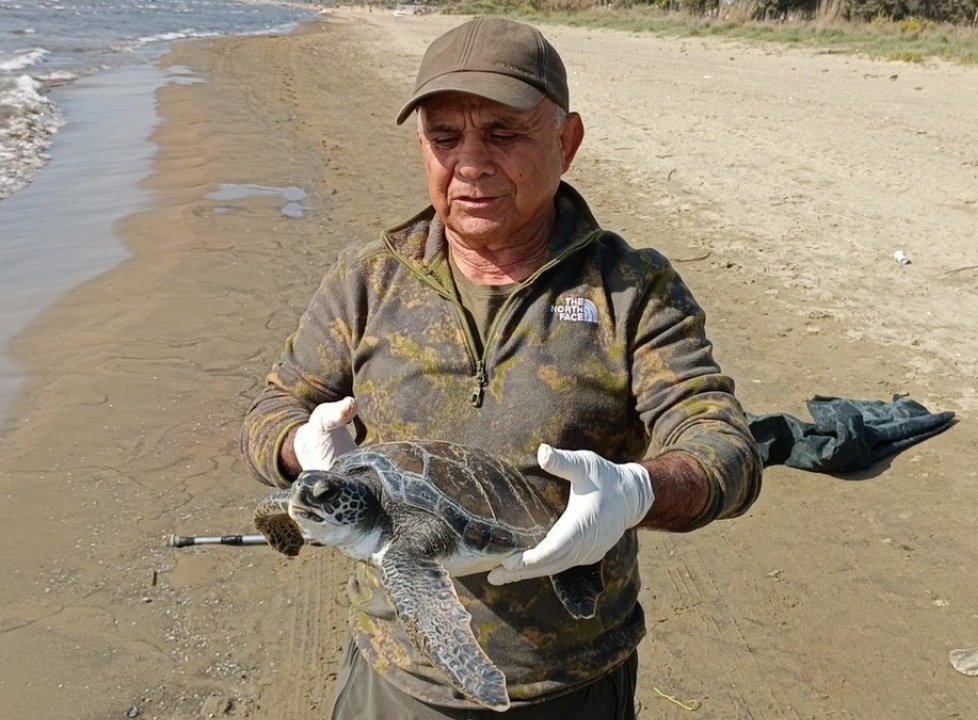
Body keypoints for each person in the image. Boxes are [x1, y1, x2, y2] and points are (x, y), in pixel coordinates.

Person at [240, 17, 761, 719]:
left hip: (572, 680)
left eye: (504, 133)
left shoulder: (631, 292)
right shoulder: (368, 281)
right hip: (396, 676)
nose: (471, 164)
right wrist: (297, 448)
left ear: (566, 141)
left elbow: (723, 443)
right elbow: (272, 409)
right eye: (445, 138)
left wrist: (637, 492)